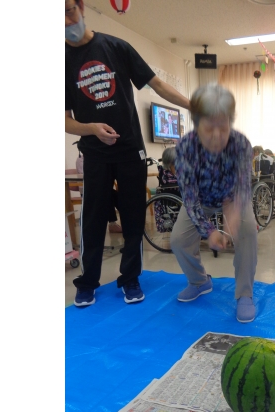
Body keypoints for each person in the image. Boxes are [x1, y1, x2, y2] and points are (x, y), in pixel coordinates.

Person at [65, 0, 190, 307]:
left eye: (68, 10)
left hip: (130, 148)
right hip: (94, 152)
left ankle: (130, 278)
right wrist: (91, 128)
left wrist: (193, 105)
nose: (65, 21)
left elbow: (157, 84)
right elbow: (64, 119)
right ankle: (87, 282)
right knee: (93, 219)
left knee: (133, 216)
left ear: (81, 7)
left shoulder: (116, 47)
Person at [171, 84, 257, 323]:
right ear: (197, 124)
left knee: (247, 231)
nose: (217, 136)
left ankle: (245, 294)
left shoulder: (241, 144)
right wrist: (209, 231)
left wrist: (233, 218)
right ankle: (199, 281)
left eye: (224, 127)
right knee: (178, 239)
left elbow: (243, 187)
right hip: (201, 200)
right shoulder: (185, 147)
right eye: (209, 128)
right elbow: (189, 197)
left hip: (233, 198)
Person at [75, 151, 122, 233]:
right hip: (88, 189)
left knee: (111, 195)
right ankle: (113, 224)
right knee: (109, 195)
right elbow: (88, 176)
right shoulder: (81, 160)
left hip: (99, 187)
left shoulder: (98, 159)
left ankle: (115, 223)